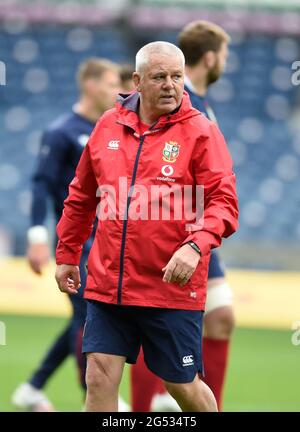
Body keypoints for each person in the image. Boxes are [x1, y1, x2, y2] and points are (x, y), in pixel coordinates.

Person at [55, 41, 238, 412]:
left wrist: (195, 245)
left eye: (177, 76)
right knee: (98, 377)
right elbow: (81, 196)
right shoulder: (108, 124)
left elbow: (224, 202)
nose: (171, 85)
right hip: (108, 286)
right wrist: (67, 254)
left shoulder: (201, 132)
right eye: (160, 77)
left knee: (182, 385)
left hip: (169, 288)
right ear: (137, 81)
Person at [11, 58, 126, 412]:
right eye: (110, 84)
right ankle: (93, 397)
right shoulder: (62, 131)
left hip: (105, 240)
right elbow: (42, 185)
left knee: (85, 316)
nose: (116, 92)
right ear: (91, 86)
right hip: (76, 243)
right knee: (91, 315)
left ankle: (34, 387)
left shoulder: (112, 128)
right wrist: (37, 236)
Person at [131, 21, 234, 412]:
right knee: (152, 324)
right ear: (210, 57)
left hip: (199, 233)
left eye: (173, 74)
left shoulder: (200, 105)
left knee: (221, 316)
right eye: (224, 54)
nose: (168, 83)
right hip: (171, 234)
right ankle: (148, 407)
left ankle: (178, 404)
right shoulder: (174, 100)